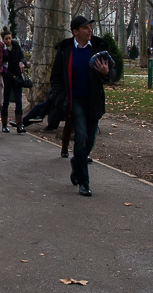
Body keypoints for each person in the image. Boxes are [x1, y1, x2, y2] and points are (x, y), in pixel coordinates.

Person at [49, 16, 115, 197]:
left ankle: (76, 163)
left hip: (93, 101)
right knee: (81, 137)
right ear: (75, 31)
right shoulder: (65, 50)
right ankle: (84, 182)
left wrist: (106, 73)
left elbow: (113, 73)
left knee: (90, 140)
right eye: (85, 28)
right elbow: (55, 77)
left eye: (90, 27)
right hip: (74, 100)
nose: (90, 30)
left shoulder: (98, 48)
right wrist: (59, 96)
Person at [1, 29, 27, 134]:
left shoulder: (16, 47)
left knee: (18, 101)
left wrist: (22, 62)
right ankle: (4, 125)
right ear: (3, 40)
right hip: (8, 78)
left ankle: (19, 124)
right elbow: (2, 65)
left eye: (9, 38)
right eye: (6, 39)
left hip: (18, 78)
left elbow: (22, 57)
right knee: (6, 101)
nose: (8, 40)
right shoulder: (2, 50)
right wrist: (11, 75)